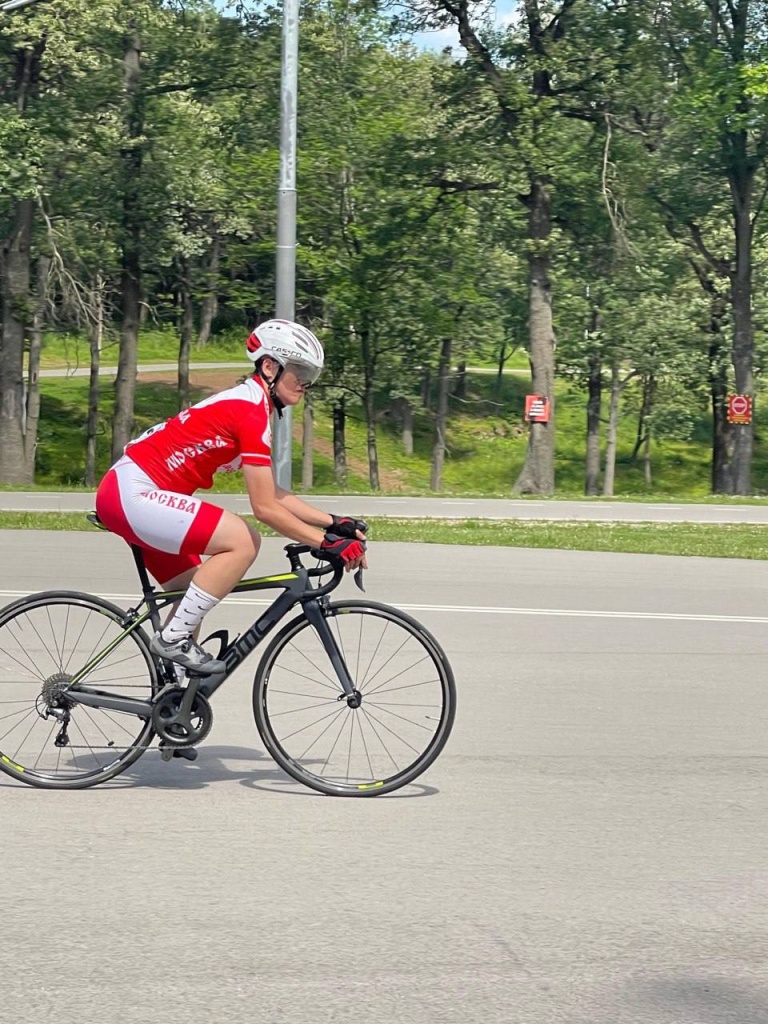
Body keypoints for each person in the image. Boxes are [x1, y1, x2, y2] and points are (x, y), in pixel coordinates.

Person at [95, 318, 367, 676]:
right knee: (243, 540)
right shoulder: (249, 411)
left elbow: (272, 493)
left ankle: (171, 703)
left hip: (139, 495)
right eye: (299, 370)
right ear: (269, 366)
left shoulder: (254, 406)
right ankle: (172, 639)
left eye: (310, 374)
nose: (305, 382)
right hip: (133, 492)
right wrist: (324, 543)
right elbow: (265, 509)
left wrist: (333, 523)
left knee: (193, 595)